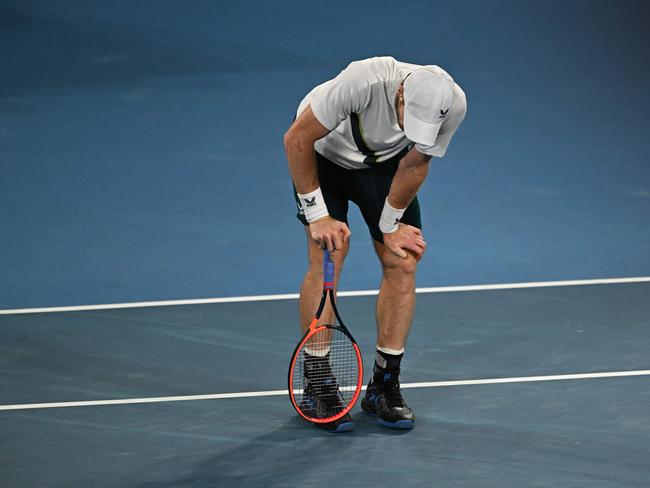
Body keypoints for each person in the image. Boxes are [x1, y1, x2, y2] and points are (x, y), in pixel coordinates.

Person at [284, 56, 466, 432]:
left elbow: (415, 163)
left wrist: (389, 226)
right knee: (329, 253)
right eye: (406, 115)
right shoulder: (363, 80)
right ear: (400, 92)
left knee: (403, 259)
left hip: (384, 168)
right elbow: (297, 138)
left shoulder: (454, 103)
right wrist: (318, 215)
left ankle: (384, 386)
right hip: (323, 156)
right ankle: (317, 380)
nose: (409, 126)